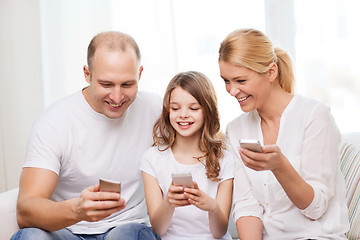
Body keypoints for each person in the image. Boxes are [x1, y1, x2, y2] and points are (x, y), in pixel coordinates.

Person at [11, 31, 162, 240]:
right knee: (30, 237)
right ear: (87, 74)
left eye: (127, 84)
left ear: (140, 74)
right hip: (67, 231)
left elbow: (200, 139)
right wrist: (77, 210)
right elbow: (26, 210)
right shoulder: (54, 122)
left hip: (127, 228)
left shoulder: (154, 108)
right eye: (106, 84)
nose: (117, 97)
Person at [218, 28, 349, 239]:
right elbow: (247, 206)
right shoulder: (236, 130)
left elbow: (316, 209)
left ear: (271, 72)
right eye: (226, 81)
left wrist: (280, 167)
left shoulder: (315, 117)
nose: (232, 91)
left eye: (240, 81)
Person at [140, 71, 234, 240]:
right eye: (175, 108)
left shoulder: (225, 159)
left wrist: (212, 207)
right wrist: (169, 201)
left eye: (193, 108)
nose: (183, 114)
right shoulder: (152, 158)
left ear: (208, 111)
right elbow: (159, 229)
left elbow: (219, 232)